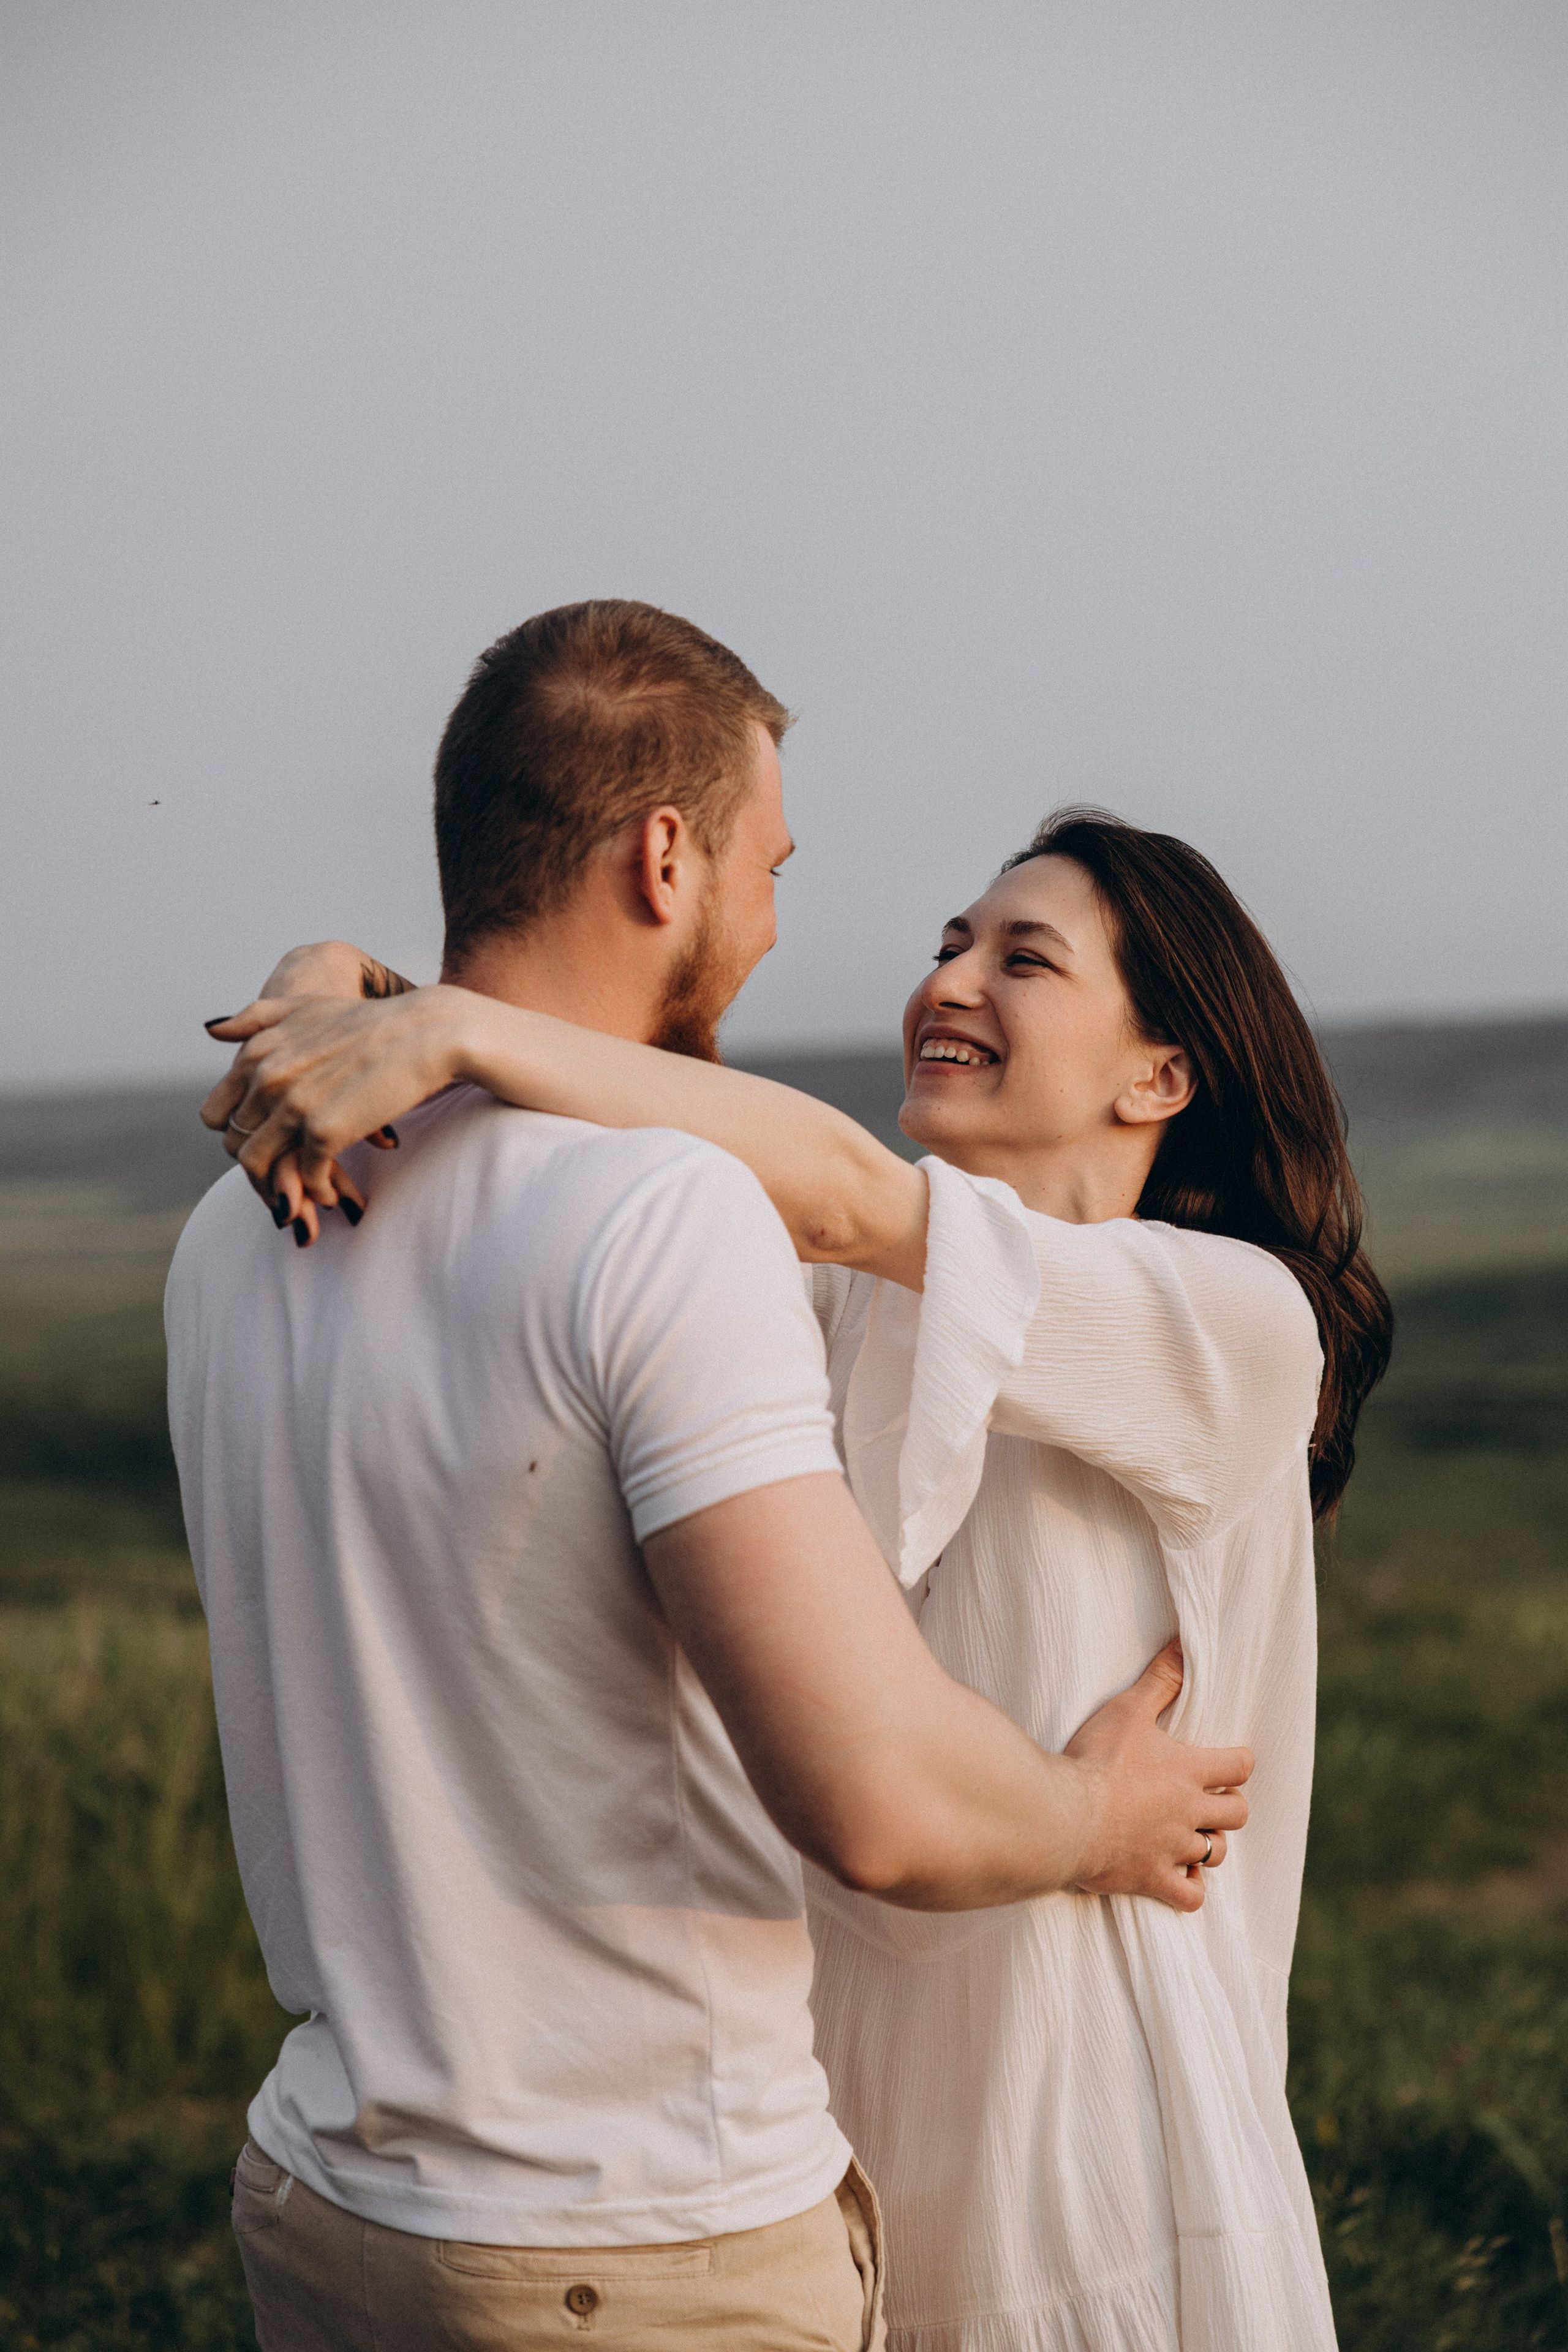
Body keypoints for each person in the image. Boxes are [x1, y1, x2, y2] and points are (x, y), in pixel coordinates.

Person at [175, 601, 1251, 2352]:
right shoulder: (669, 1225)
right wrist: (1100, 1818)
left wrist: (390, 996)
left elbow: (836, 1198)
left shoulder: (233, 1235)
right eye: (772, 861)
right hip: (631, 2240)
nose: (775, 919)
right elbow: (883, 1803)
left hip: (334, 2195)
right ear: (665, 855)